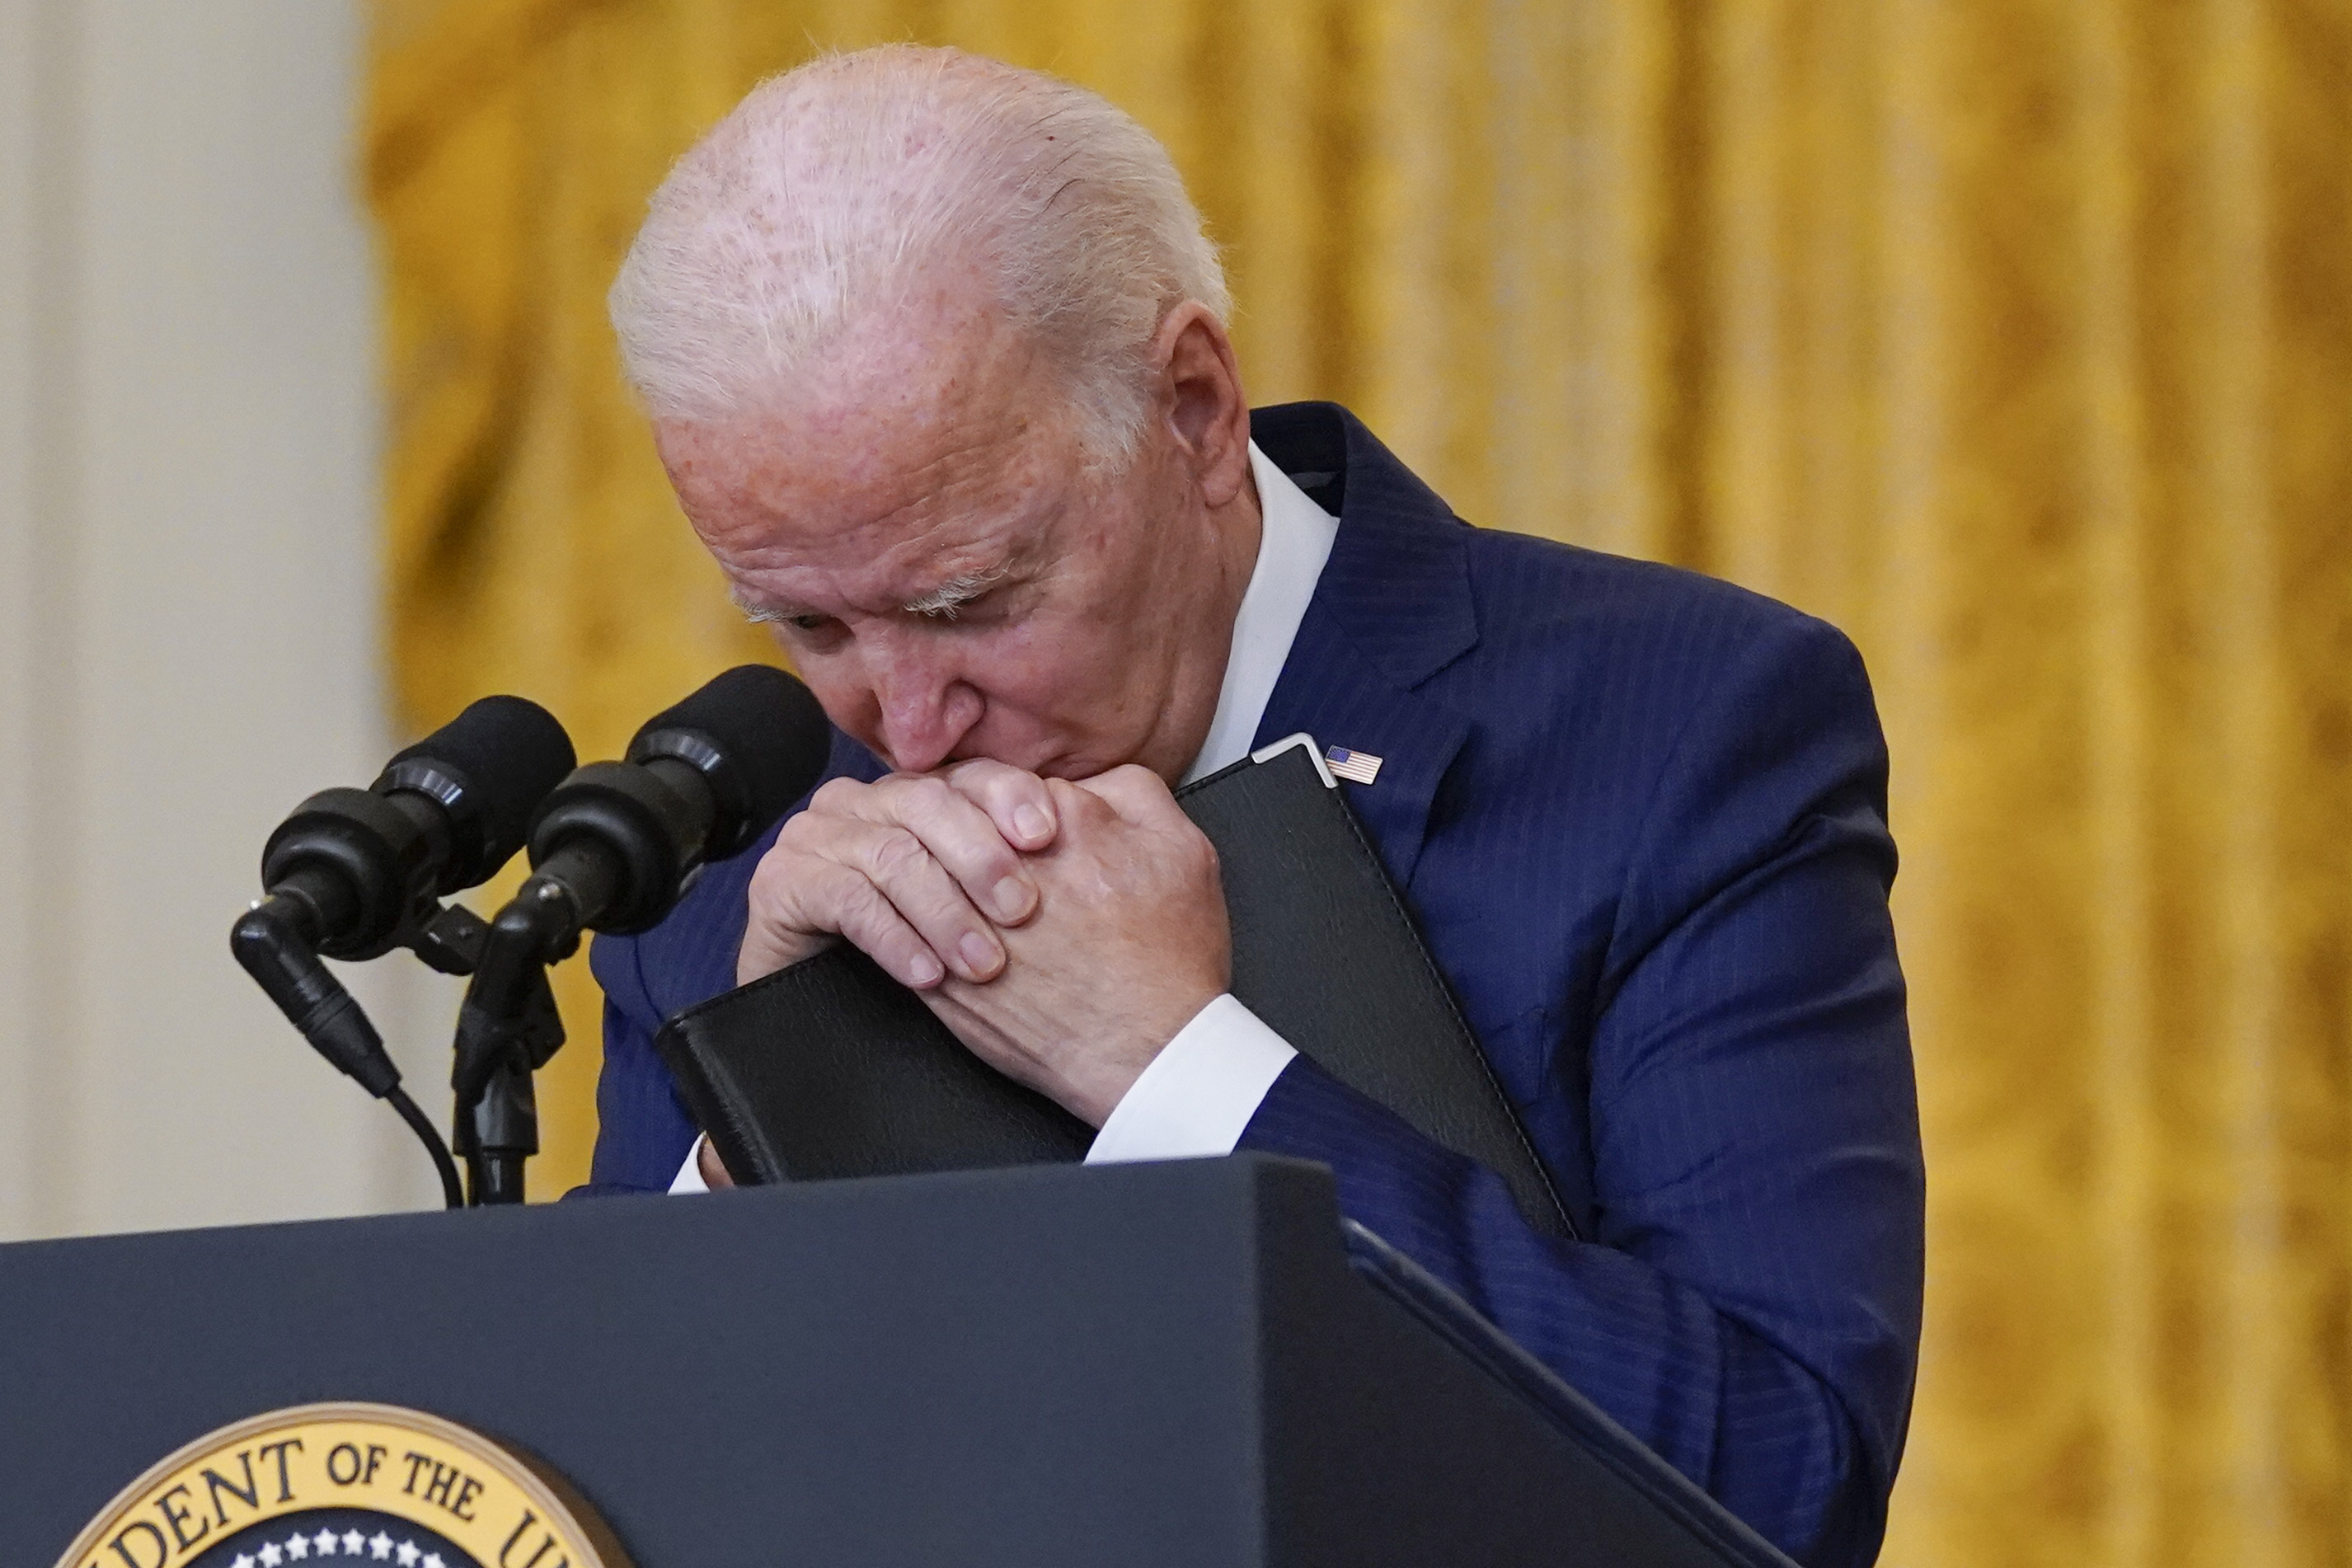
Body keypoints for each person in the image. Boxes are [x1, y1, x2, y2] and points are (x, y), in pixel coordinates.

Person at [585, 45, 1922, 1568]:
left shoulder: (1681, 729)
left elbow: (1775, 1491)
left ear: (1194, 409)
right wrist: (772, 1118)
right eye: (807, 627)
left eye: (971, 600)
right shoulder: (722, 851)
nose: (902, 724)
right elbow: (567, 1491)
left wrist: (1178, 1071)